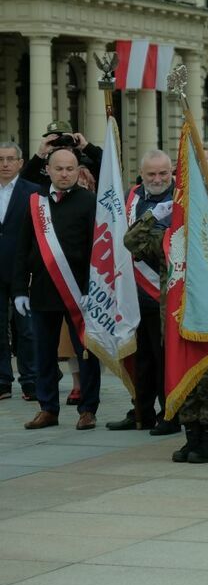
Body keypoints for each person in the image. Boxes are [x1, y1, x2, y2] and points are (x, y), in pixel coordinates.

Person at [124, 196, 208, 463]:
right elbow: (131, 241)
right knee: (185, 382)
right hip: (175, 321)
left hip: (205, 320)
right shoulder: (167, 239)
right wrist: (153, 216)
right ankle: (192, 437)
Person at [15, 148, 101, 430]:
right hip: (42, 290)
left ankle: (88, 409)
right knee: (44, 353)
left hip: (80, 294)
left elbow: (96, 249)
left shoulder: (89, 202)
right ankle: (48, 408)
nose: (65, 174)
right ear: (48, 170)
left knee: (86, 353)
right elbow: (22, 247)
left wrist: (92, 287)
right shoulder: (34, 202)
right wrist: (19, 290)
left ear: (78, 171)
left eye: (70, 169)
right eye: (59, 168)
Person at [108, 150, 177, 434]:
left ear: (171, 172)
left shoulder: (180, 199)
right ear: (142, 173)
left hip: (165, 292)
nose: (158, 179)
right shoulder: (131, 197)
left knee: (164, 359)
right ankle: (141, 410)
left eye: (163, 173)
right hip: (133, 294)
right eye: (151, 174)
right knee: (141, 358)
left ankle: (170, 413)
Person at [0, 142, 38, 403]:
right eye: (0, 159)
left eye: (10, 159)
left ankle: (31, 380)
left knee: (26, 328)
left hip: (22, 270)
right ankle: (2, 380)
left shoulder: (33, 193)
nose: (5, 164)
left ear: (20, 163)